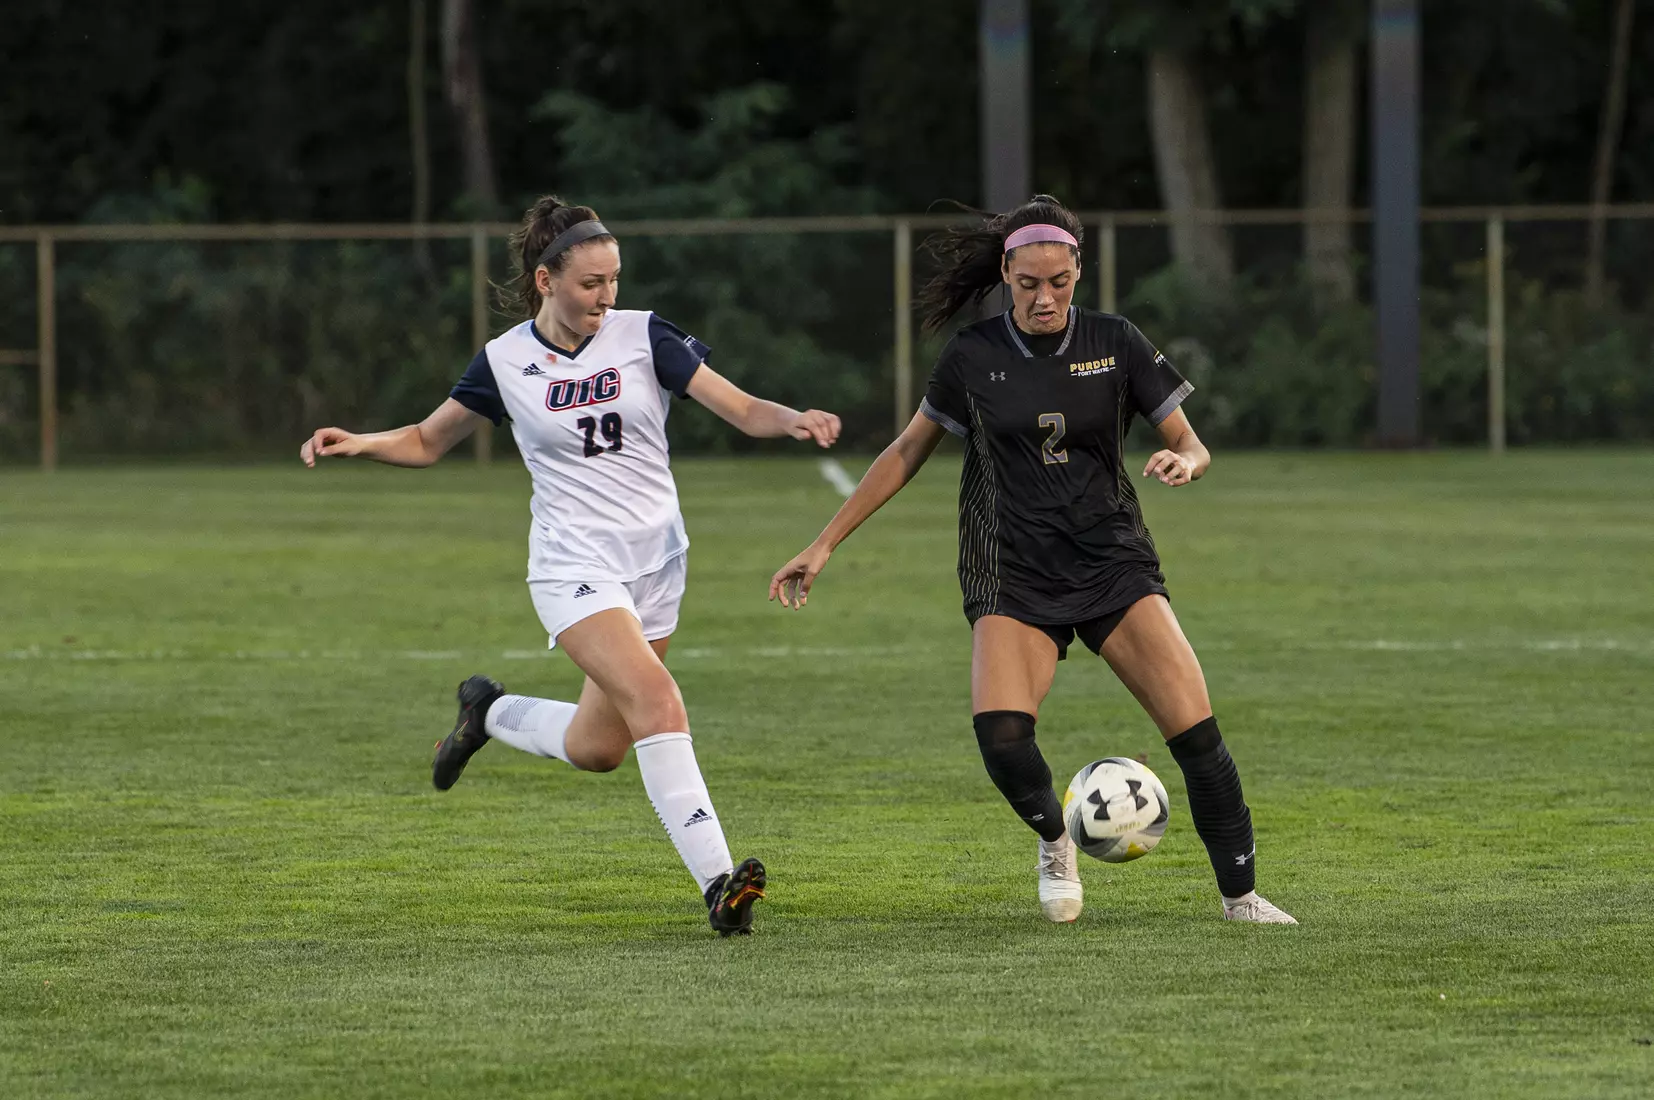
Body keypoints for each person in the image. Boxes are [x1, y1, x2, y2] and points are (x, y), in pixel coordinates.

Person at [301, 195, 841, 936]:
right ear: (545, 279)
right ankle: (720, 884)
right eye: (591, 283)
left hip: (657, 563)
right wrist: (362, 441)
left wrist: (792, 418)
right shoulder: (504, 360)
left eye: (614, 279)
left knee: (600, 748)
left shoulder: (644, 335)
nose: (607, 295)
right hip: (572, 566)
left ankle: (485, 712)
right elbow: (429, 440)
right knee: (660, 704)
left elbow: (741, 408)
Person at [768, 195, 1295, 925]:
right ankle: (1056, 839)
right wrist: (823, 543)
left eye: (1058, 282)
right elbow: (905, 451)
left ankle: (1242, 900)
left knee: (1196, 735)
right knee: (1004, 738)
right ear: (1005, 276)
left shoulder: (1117, 341)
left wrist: (1187, 461)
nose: (1043, 298)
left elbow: (1192, 441)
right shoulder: (973, 356)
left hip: (1111, 558)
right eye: (1027, 284)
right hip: (1010, 566)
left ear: (1078, 272)